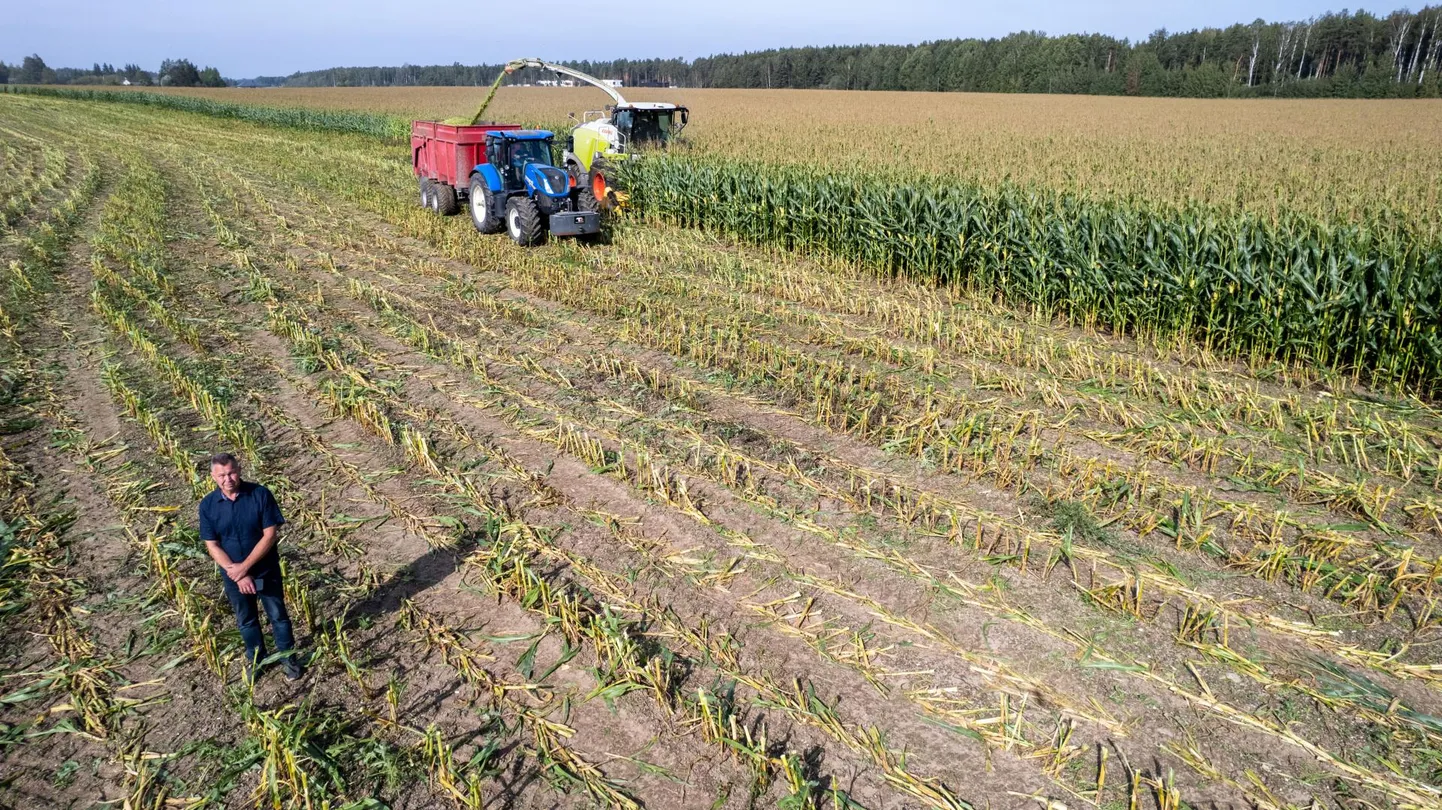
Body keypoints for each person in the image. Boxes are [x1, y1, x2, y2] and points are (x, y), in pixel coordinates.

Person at [198, 453, 304, 682]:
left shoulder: (260, 494)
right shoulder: (207, 505)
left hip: (265, 572)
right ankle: (257, 660)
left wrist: (244, 568)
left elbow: (270, 535)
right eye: (222, 475)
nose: (228, 479)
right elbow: (212, 545)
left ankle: (288, 658)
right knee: (246, 619)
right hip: (234, 577)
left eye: (232, 472)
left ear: (239, 470)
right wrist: (235, 573)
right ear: (213, 477)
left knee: (278, 615)